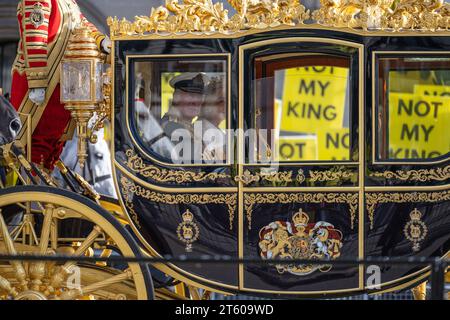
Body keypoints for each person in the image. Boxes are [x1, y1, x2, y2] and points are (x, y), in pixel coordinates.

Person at [10, 0, 111, 170]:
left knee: (53, 140)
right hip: (44, 82)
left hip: (62, 82)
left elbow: (82, 25)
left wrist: (101, 41)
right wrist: (37, 81)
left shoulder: (67, 2)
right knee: (33, 140)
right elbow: (35, 38)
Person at [161, 73, 209, 163]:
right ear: (176, 97)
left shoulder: (193, 127)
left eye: (199, 96)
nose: (196, 101)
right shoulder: (169, 126)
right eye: (191, 95)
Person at [195, 77, 227, 163]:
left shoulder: (220, 132)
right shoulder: (200, 131)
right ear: (207, 103)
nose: (226, 106)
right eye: (221, 101)